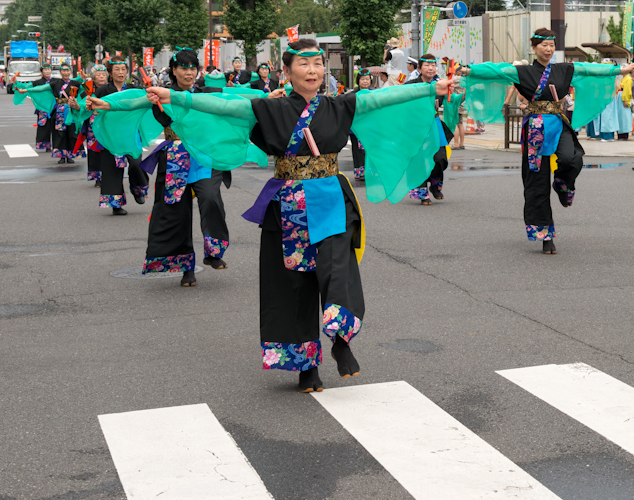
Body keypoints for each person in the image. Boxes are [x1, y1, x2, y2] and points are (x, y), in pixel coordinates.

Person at [98, 38, 450, 391]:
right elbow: (221, 107)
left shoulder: (340, 105)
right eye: (304, 64)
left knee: (337, 267)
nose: (312, 70)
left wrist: (432, 89)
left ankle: (341, 339)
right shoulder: (269, 109)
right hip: (288, 204)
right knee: (293, 283)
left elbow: (382, 98)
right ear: (287, 71)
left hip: (330, 198)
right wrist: (173, 96)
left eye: (317, 64)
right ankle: (306, 367)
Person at [459, 29, 634, 254]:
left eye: (552, 45)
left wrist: (620, 69)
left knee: (572, 158)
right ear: (534, 48)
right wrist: (469, 70)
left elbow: (590, 69)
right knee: (538, 181)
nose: (549, 49)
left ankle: (563, 184)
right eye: (544, 45)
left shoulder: (564, 69)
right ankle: (545, 235)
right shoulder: (522, 72)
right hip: (535, 130)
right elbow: (496, 70)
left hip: (559, 123)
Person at [89, 48, 233, 287]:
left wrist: (268, 99)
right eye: (184, 68)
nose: (189, 72)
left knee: (210, 197)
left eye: (192, 68)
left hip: (204, 156)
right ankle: (187, 268)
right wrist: (107, 106)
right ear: (174, 70)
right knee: (177, 212)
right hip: (175, 157)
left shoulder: (206, 92)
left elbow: (236, 99)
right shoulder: (161, 94)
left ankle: (214, 250)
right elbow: (134, 102)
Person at [94, 56, 150, 215]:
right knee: (112, 169)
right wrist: (78, 105)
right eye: (116, 69)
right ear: (110, 72)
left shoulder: (134, 89)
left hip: (131, 133)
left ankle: (137, 189)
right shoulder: (103, 90)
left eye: (123, 69)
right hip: (111, 135)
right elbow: (91, 107)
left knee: (136, 164)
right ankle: (116, 204)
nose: (120, 72)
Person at [404, 54, 453, 205]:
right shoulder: (410, 85)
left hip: (434, 124)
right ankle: (422, 192)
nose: (431, 68)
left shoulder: (441, 84)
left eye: (433, 65)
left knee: (440, 159)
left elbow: (448, 98)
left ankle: (435, 185)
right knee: (420, 159)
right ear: (419, 68)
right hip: (416, 127)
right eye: (427, 65)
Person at [49, 63, 82, 164]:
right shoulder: (55, 83)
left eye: (68, 70)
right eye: (64, 70)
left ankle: (70, 155)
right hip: (59, 112)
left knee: (71, 133)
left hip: (72, 111)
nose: (66, 73)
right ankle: (62, 156)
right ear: (60, 72)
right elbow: (43, 89)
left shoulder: (76, 83)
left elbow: (86, 91)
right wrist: (27, 90)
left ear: (70, 71)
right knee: (60, 134)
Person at [84, 64, 109, 187]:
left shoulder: (111, 88)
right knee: (94, 148)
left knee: (109, 148)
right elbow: (81, 103)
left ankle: (109, 175)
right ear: (93, 77)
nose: (101, 77)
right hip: (94, 120)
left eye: (104, 74)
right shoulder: (87, 89)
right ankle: (97, 176)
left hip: (109, 120)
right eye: (98, 75)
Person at [348, 69, 372, 180]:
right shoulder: (352, 95)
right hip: (356, 127)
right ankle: (359, 172)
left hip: (370, 127)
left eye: (367, 79)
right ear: (358, 80)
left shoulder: (375, 94)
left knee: (369, 149)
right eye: (362, 79)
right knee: (357, 151)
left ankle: (369, 171)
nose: (365, 81)